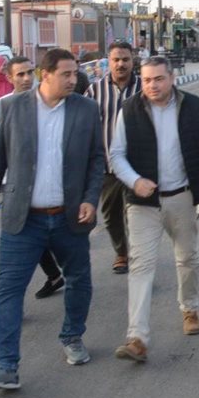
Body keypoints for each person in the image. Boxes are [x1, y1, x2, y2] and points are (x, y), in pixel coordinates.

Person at [0, 48, 105, 390]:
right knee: (9, 289)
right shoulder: (11, 108)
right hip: (24, 219)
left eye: (75, 73)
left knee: (79, 280)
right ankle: (5, 364)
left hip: (69, 217)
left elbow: (96, 159)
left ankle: (72, 336)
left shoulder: (85, 109)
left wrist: (90, 199)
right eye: (66, 74)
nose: (73, 80)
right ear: (44, 75)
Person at [109, 57, 199, 364]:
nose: (152, 85)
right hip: (143, 203)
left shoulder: (192, 106)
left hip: (182, 196)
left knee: (187, 258)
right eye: (147, 80)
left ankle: (189, 309)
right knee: (141, 266)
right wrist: (135, 180)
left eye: (159, 79)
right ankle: (137, 337)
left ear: (172, 78)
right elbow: (116, 155)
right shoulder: (129, 110)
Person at [0, 57, 65, 300]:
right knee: (20, 232)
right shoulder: (4, 105)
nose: (27, 79)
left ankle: (55, 274)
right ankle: (29, 285)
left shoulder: (47, 102)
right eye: (20, 74)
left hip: (45, 184)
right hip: (14, 182)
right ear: (10, 78)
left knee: (33, 231)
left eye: (30, 73)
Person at [86, 41, 142, 275]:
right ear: (108, 62)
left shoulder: (145, 87)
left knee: (138, 215)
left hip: (139, 167)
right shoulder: (94, 91)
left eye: (125, 59)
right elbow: (86, 127)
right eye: (116, 60)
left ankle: (138, 256)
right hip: (107, 167)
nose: (121, 64)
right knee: (111, 215)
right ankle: (121, 251)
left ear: (132, 60)